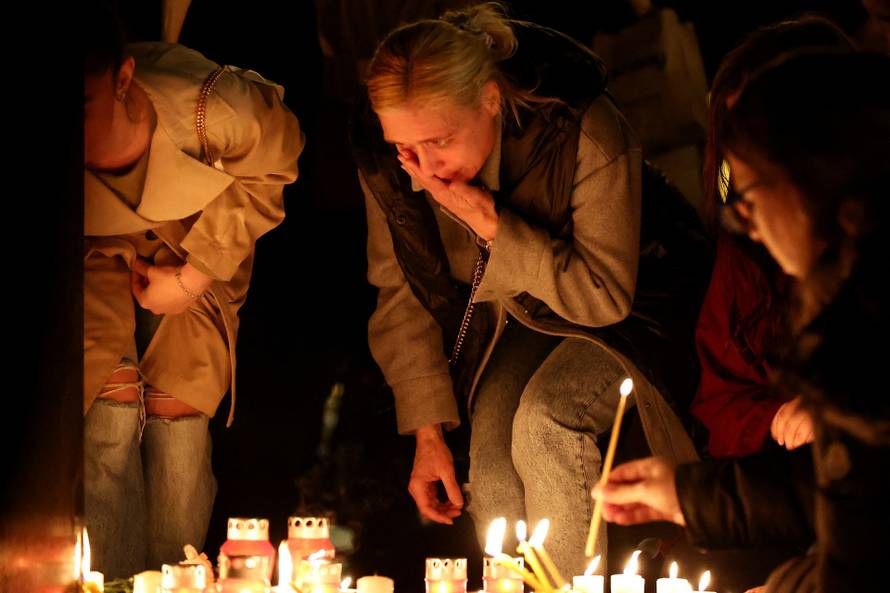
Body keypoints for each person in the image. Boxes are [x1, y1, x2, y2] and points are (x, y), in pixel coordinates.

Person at [351, 2, 710, 573]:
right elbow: (402, 292)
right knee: (490, 456)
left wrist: (494, 226)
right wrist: (426, 433)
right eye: (404, 147)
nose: (422, 167)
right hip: (529, 316)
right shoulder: (392, 163)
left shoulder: (581, 126)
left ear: (490, 99)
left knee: (546, 424)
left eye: (439, 141)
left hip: (640, 312)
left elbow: (604, 297)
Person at [595, 50, 890, 592]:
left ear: (812, 180)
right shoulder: (827, 297)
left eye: (750, 196)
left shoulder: (866, 324)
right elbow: (833, 492)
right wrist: (687, 496)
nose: (745, 223)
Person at [84, 1, 303, 577]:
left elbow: (276, 155)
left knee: (179, 410)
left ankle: (171, 581)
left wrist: (192, 278)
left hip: (199, 237)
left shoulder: (210, 108)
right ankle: (110, 583)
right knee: (106, 405)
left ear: (121, 79)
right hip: (86, 250)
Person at [693, 16, 853, 459]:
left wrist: (834, 410)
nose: (744, 206)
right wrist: (773, 418)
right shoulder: (743, 250)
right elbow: (720, 400)